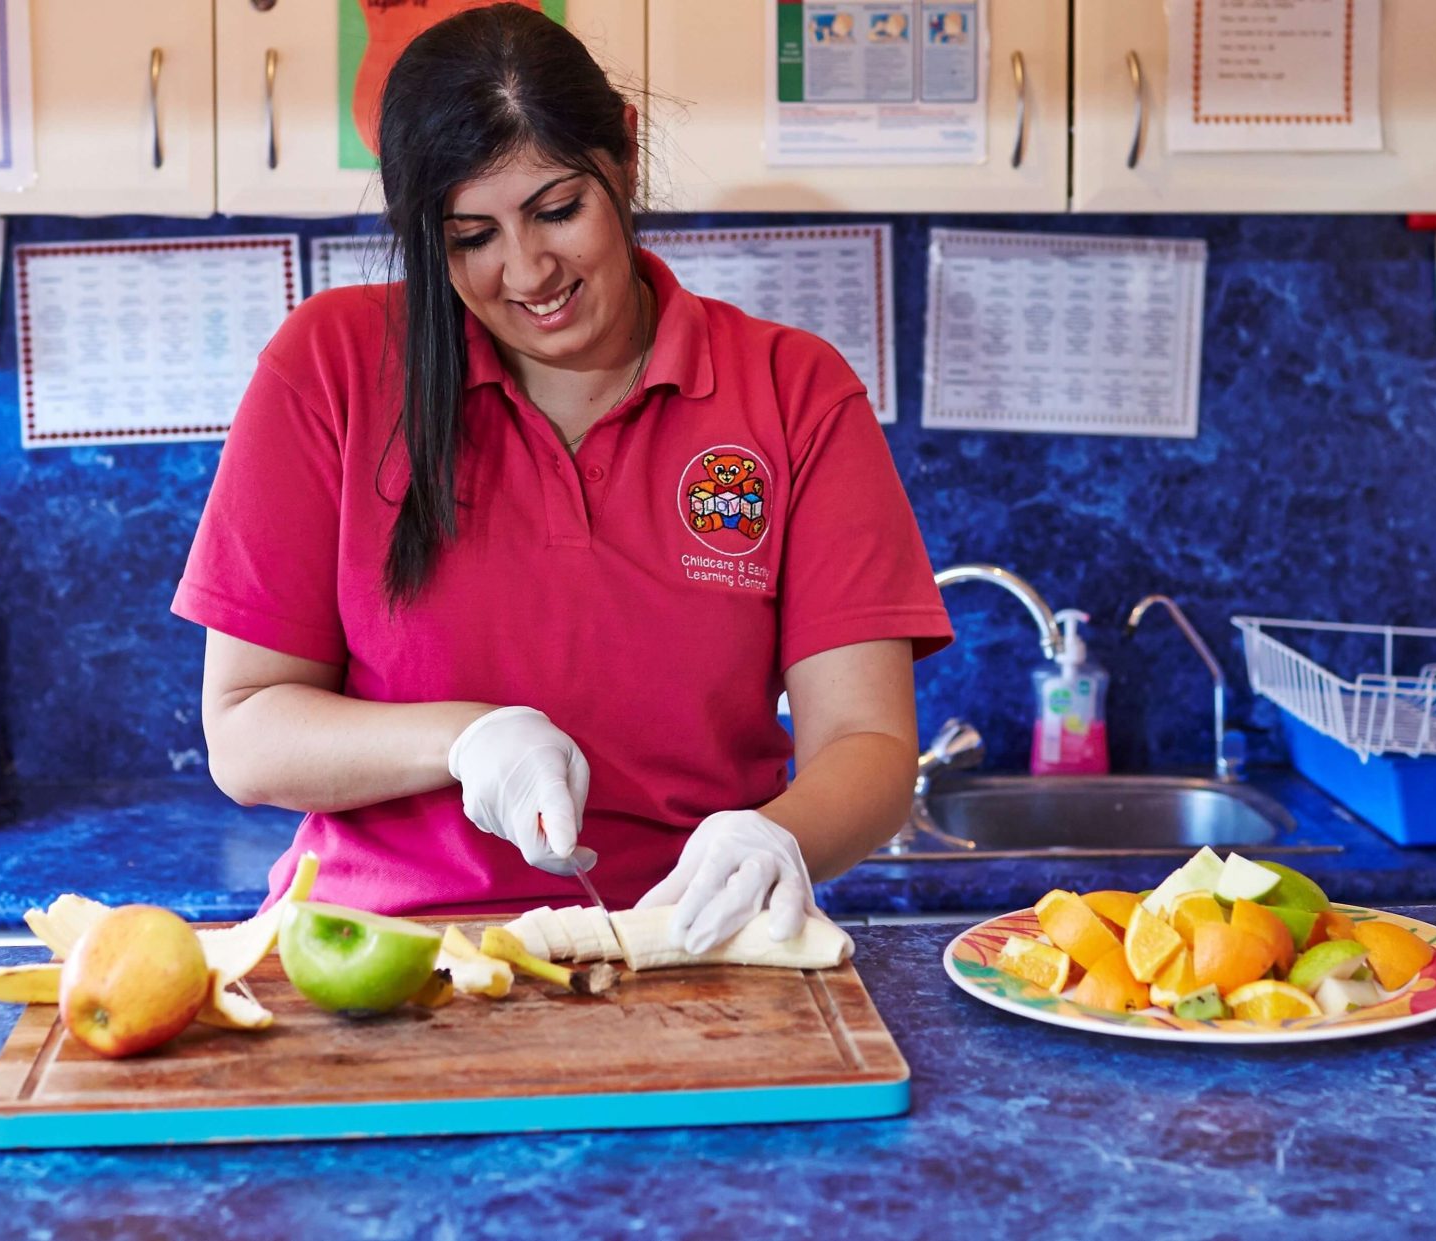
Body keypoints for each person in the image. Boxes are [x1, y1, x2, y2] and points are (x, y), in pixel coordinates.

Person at [175, 5, 948, 956]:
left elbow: (866, 743)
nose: (527, 270)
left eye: (557, 210)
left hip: (684, 952)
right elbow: (247, 733)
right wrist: (464, 741)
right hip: (383, 959)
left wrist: (778, 833)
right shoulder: (331, 368)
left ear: (622, 151)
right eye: (470, 236)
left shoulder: (792, 392)